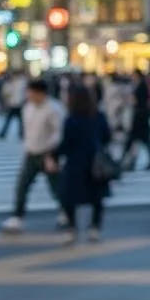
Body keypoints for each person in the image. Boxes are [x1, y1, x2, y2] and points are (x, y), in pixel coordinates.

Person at [1, 79, 65, 234]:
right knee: (22, 186)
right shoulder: (28, 107)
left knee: (56, 187)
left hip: (48, 154)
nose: (27, 95)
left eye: (30, 92)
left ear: (40, 93)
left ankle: (66, 213)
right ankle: (17, 216)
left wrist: (52, 153)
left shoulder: (54, 109)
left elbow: (59, 133)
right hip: (31, 153)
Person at [53, 85, 113, 245]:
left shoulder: (71, 119)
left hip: (75, 163)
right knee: (96, 197)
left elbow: (65, 143)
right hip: (95, 163)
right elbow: (107, 136)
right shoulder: (98, 116)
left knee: (68, 197)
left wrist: (54, 155)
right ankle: (95, 228)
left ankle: (72, 228)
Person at [0, 71, 27, 140]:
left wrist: (24, 101)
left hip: (19, 104)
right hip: (12, 104)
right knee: (9, 120)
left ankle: (21, 134)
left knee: (20, 121)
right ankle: (3, 133)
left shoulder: (22, 82)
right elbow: (4, 93)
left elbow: (25, 93)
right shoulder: (9, 83)